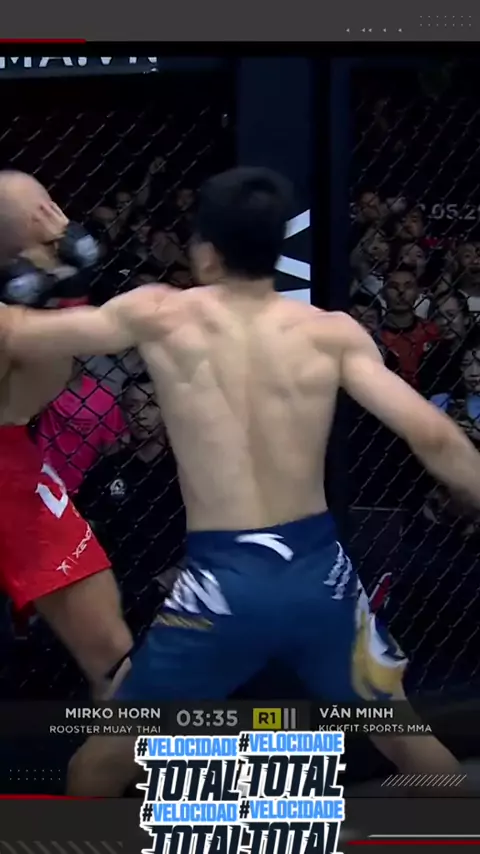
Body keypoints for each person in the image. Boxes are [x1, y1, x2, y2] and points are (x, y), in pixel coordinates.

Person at [5, 166, 477, 793]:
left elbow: (16, 333)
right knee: (409, 743)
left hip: (221, 588)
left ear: (204, 250)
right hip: (321, 577)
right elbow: (436, 437)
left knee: (96, 768)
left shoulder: (162, 314)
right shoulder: (331, 332)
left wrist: (52, 264)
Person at [0, 170, 133, 697]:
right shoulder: (17, 320)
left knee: (113, 658)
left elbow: (30, 395)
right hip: (12, 468)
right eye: (48, 208)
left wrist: (60, 288)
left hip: (12, 468)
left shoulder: (29, 312)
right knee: (114, 662)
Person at [75, 372, 185, 636]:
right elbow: (84, 527)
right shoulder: (108, 469)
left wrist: (172, 576)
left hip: (172, 592)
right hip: (116, 592)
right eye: (132, 406)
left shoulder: (185, 472)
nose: (140, 415)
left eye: (151, 404)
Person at [35, 357, 126, 495]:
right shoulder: (43, 390)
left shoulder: (102, 397)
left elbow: (111, 449)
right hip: (41, 479)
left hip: (85, 486)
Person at [379, 268, 440, 387]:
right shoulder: (376, 335)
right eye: (394, 286)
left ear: (418, 292)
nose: (401, 291)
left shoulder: (431, 331)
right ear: (383, 293)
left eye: (408, 286)